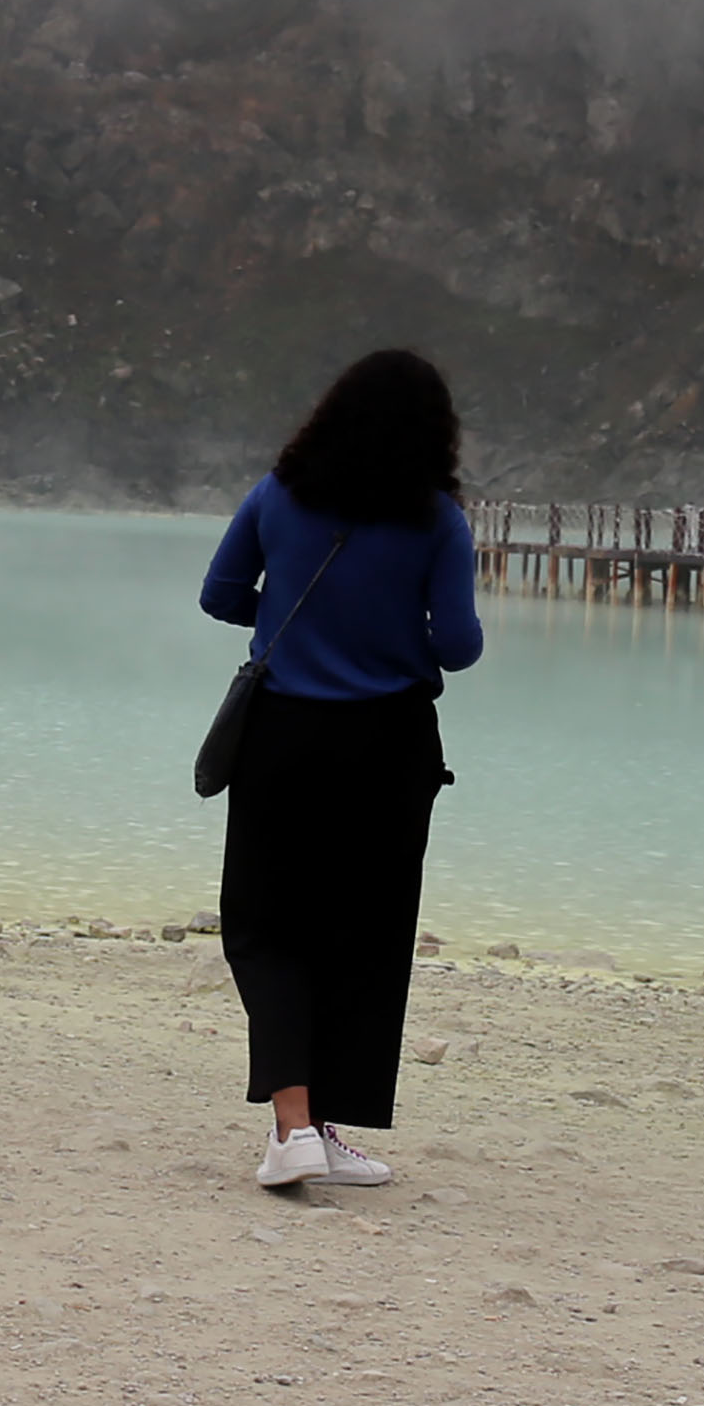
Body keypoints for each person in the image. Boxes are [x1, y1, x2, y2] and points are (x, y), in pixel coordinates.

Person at [200, 349, 482, 1195]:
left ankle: (299, 1127)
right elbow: (458, 646)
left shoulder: (276, 494)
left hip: (283, 735)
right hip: (390, 745)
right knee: (364, 933)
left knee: (265, 924)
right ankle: (314, 1128)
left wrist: (301, 612)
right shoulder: (437, 518)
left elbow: (220, 594)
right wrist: (389, 627)